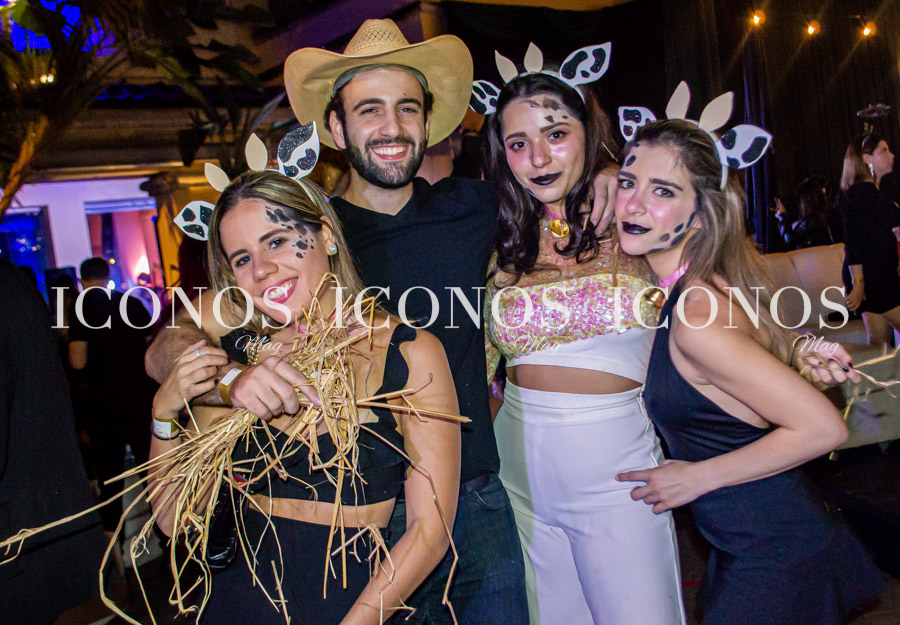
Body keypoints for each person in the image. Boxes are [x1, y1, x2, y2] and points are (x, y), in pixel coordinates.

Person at [150, 170, 460, 625]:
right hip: (234, 605)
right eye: (242, 258)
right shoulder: (244, 366)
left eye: (276, 241)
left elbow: (429, 531)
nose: (260, 270)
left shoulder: (407, 352)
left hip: (348, 609)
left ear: (326, 235)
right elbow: (174, 520)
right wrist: (163, 412)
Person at [614, 118, 884, 625]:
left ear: (701, 215)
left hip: (775, 552)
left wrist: (694, 478)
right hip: (755, 541)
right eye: (629, 183)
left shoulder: (696, 316)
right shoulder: (700, 287)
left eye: (662, 191)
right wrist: (799, 352)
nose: (633, 204)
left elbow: (823, 428)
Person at [481, 70, 685, 625]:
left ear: (588, 133)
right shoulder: (497, 239)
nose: (538, 157)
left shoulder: (634, 218)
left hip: (618, 478)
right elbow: (481, 366)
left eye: (556, 134)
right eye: (518, 143)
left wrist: (618, 176)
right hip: (519, 480)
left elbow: (716, 277)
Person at [0, 258, 107, 624]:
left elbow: (76, 361)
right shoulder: (17, 285)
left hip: (16, 534)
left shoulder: (75, 310)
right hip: (39, 524)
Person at [69, 257, 157, 532]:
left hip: (104, 405)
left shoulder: (81, 307)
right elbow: (151, 346)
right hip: (140, 399)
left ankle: (113, 547)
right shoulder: (131, 302)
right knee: (152, 474)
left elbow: (77, 360)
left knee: (110, 481)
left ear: (82, 280)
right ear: (108, 276)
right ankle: (169, 539)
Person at [839, 133, 900, 345]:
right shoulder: (861, 192)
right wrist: (859, 284)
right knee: (880, 347)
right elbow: (853, 241)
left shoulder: (872, 192)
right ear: (867, 159)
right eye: (883, 150)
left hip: (876, 275)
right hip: (875, 277)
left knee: (879, 348)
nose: (891, 155)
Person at [773, 177, 833, 249]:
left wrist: (782, 216)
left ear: (806, 200)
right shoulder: (823, 216)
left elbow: (789, 240)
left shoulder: (811, 220)